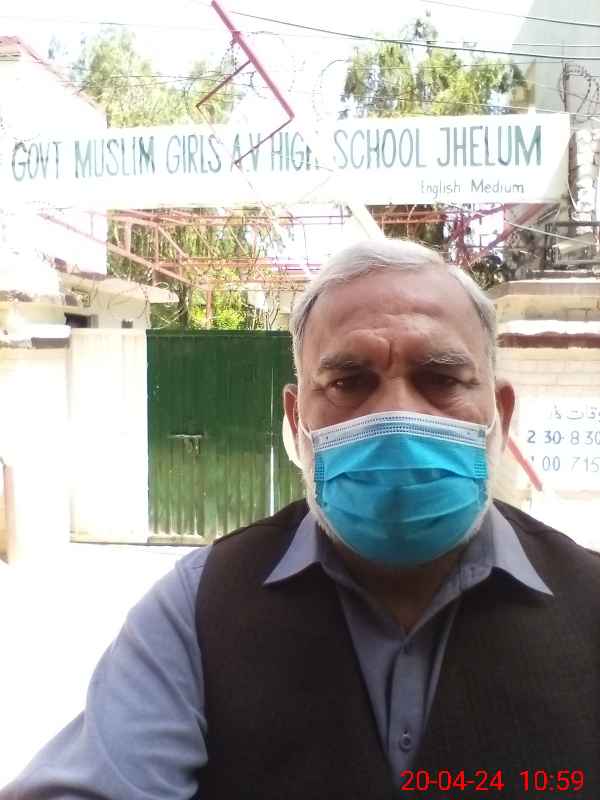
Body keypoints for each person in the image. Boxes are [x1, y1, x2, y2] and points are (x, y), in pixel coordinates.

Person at [2, 238, 599, 800]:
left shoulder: (591, 603)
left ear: (500, 412)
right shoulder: (195, 611)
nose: (396, 417)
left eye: (440, 378)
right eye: (348, 381)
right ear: (296, 420)